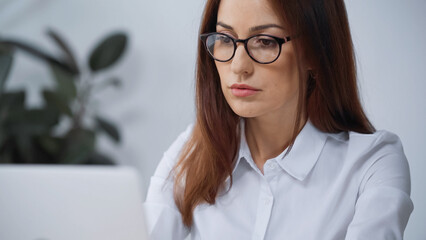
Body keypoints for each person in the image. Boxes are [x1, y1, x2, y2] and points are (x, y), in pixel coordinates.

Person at [143, 0, 413, 239]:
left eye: (265, 41)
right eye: (225, 38)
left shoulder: (373, 163)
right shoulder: (192, 152)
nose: (238, 66)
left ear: (316, 51)